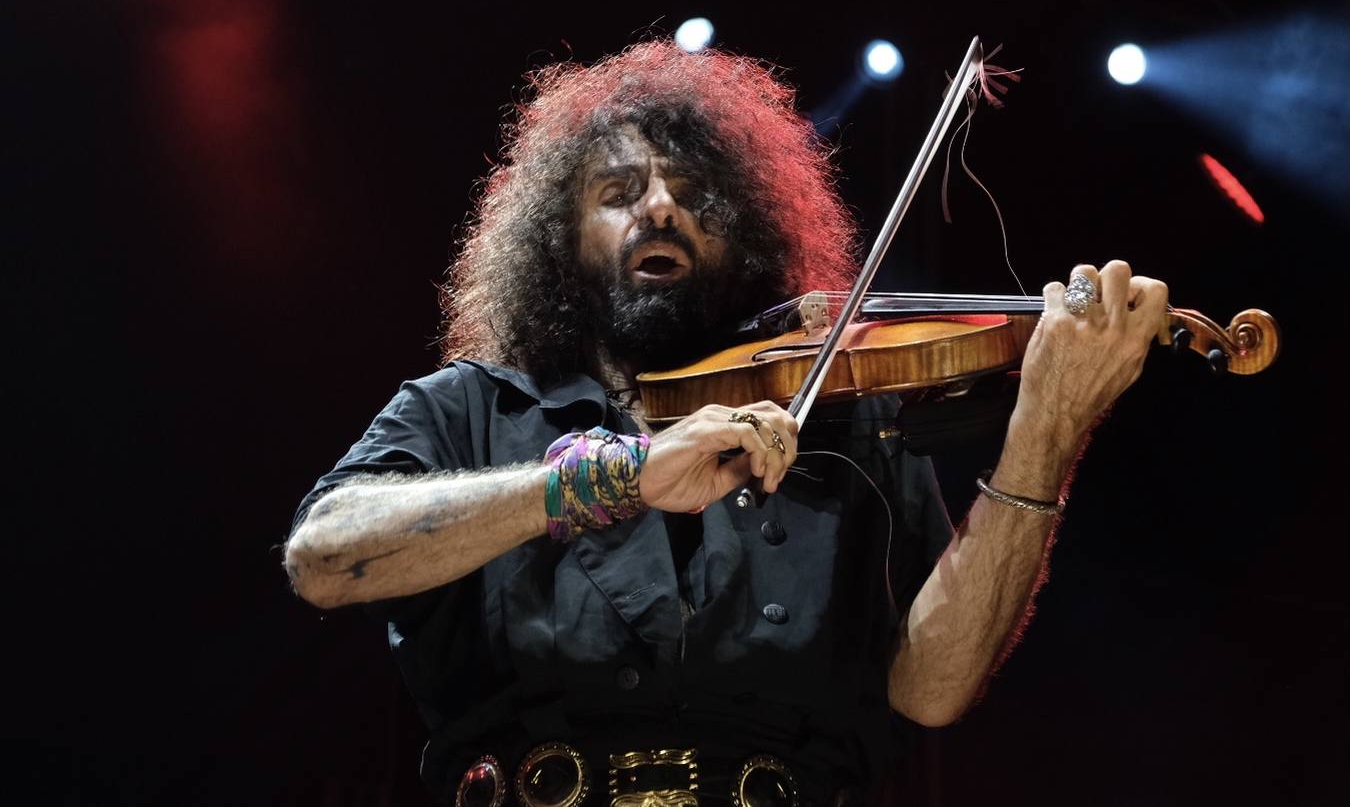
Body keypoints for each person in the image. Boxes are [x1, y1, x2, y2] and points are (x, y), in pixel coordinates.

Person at [285, 40, 1167, 807]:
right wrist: (613, 476)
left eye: (694, 193)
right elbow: (323, 555)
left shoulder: (842, 426)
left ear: (744, 234)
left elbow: (932, 690)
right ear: (560, 239)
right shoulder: (471, 408)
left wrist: (1047, 429)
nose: (660, 208)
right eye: (619, 191)